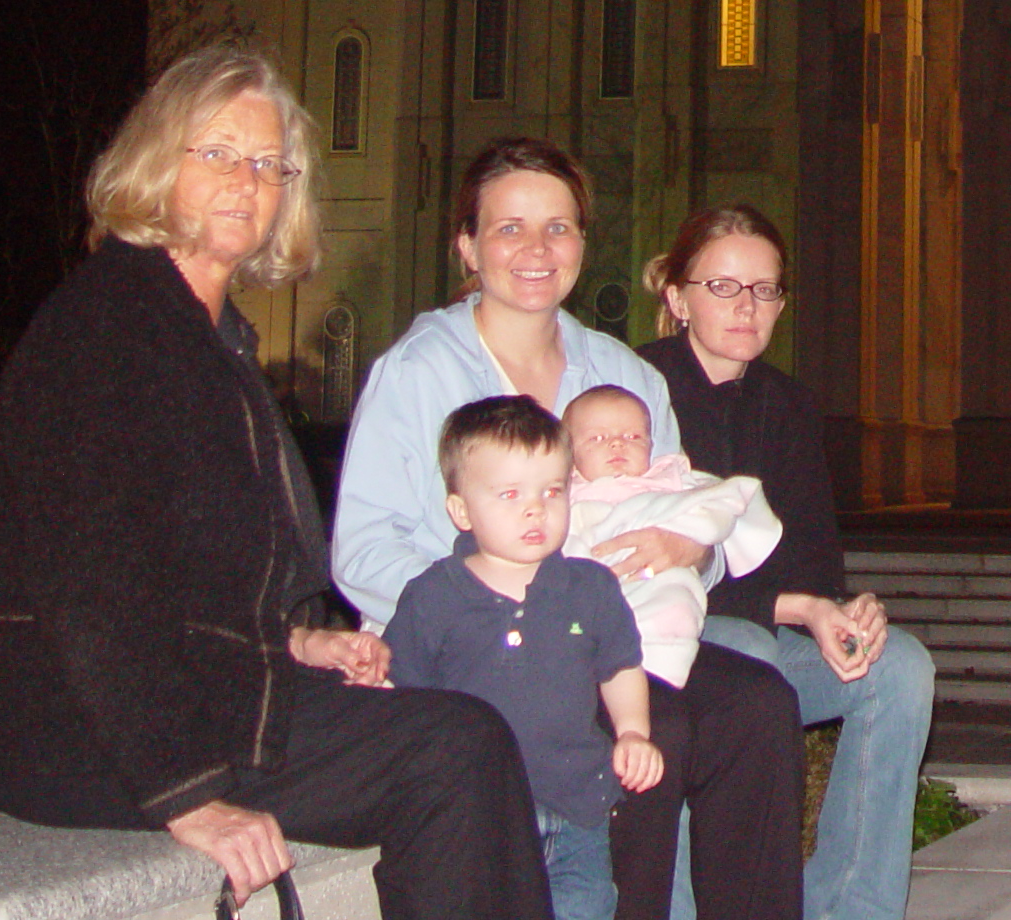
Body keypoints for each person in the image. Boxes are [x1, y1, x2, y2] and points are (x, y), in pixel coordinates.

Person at [0, 44, 552, 919]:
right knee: (452, 752)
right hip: (82, 735)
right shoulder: (109, 327)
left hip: (199, 696)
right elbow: (92, 581)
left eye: (270, 164)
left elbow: (194, 568)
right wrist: (187, 794)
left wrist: (293, 643)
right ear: (157, 161)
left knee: (460, 730)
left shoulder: (201, 333)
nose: (249, 181)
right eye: (219, 154)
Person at [331, 137, 801, 920]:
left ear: (584, 241)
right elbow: (363, 550)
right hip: (477, 649)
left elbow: (687, 518)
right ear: (467, 247)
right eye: (509, 228)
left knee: (757, 708)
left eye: (559, 227)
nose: (537, 249)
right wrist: (506, 592)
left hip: (613, 632)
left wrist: (693, 545)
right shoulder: (420, 372)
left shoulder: (625, 378)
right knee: (664, 724)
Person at [638, 206, 936, 920]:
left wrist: (841, 608)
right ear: (678, 299)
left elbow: (811, 560)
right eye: (724, 287)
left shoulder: (789, 405)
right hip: (657, 642)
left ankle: (848, 909)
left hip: (768, 637)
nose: (747, 307)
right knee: (735, 656)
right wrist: (795, 607)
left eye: (764, 290)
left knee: (898, 668)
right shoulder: (637, 395)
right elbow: (648, 566)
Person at [388, 398, 663, 920]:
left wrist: (633, 730)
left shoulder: (589, 587)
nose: (535, 509)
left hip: (578, 805)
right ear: (462, 510)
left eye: (551, 491)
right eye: (510, 494)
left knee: (585, 906)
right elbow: (408, 698)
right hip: (476, 813)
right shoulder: (434, 597)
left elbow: (620, 664)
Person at [564, 385, 784, 688]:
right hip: (597, 581)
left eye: (632, 437)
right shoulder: (568, 490)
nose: (617, 445)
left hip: (658, 578)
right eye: (598, 438)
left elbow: (717, 500)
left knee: (675, 601)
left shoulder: (667, 479)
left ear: (652, 445)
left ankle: (660, 665)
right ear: (570, 454)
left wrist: (700, 525)